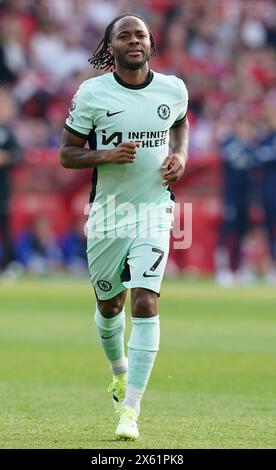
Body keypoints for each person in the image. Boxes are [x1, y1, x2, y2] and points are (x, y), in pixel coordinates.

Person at [60, 14, 189, 441]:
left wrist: (181, 156)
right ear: (110, 46)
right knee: (109, 307)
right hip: (108, 214)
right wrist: (106, 156)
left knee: (145, 303)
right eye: (124, 36)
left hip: (155, 211)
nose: (134, 41)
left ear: (151, 45)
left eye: (141, 35)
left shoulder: (173, 88)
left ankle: (130, 410)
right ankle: (118, 373)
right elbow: (66, 154)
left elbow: (180, 122)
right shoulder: (93, 94)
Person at [214, 116, 256, 286]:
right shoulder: (230, 144)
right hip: (230, 196)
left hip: (245, 198)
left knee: (242, 234)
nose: (245, 130)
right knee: (226, 233)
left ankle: (240, 269)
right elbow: (226, 156)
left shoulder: (250, 147)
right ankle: (222, 269)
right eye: (242, 126)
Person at [0, 87, 21, 274]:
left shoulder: (6, 132)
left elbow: (18, 154)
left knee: (5, 224)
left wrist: (6, 157)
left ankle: (9, 263)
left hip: (2, 188)